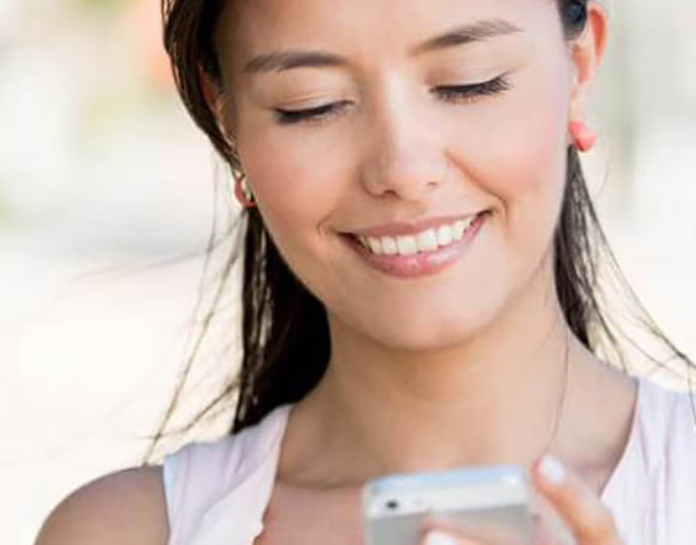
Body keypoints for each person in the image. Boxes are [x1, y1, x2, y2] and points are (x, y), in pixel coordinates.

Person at [36, 0, 696, 544]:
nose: (403, 169)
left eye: (469, 81)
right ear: (225, 119)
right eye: (311, 103)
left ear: (578, 69)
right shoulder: (124, 531)